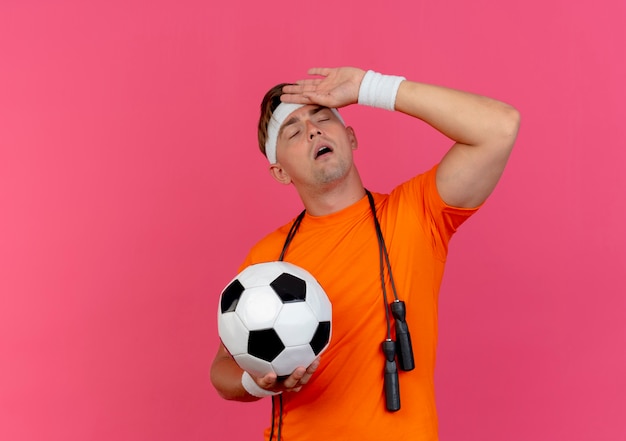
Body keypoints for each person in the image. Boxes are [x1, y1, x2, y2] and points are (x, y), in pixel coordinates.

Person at [210, 66, 520, 440]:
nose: (313, 130)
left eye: (323, 118)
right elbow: (221, 371)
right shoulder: (269, 258)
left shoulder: (417, 213)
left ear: (351, 137)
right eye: (293, 131)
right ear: (280, 173)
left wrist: (370, 87)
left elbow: (500, 126)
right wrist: (260, 383)